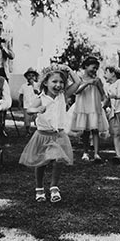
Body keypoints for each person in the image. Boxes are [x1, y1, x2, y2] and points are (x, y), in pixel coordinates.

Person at [19, 64, 77, 203]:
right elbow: (29, 110)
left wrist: (69, 70)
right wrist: (38, 109)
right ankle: (39, 188)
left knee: (58, 160)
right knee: (41, 163)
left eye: (61, 82)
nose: (58, 85)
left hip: (58, 135)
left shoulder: (63, 96)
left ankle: (54, 186)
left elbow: (78, 83)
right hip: (43, 135)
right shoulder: (41, 98)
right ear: (45, 82)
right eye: (54, 81)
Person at [69, 56, 109, 163]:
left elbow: (103, 94)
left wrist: (104, 103)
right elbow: (76, 92)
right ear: (86, 66)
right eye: (93, 67)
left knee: (95, 130)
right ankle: (85, 152)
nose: (94, 70)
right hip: (83, 108)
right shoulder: (80, 79)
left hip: (94, 108)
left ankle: (96, 153)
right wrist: (87, 83)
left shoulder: (97, 80)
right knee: (85, 131)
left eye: (96, 68)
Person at [18, 67, 41, 133]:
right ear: (26, 77)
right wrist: (20, 103)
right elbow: (21, 95)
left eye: (33, 76)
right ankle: (28, 130)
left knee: (37, 119)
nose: (31, 77)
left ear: (35, 77)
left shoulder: (37, 85)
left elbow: (41, 94)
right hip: (26, 106)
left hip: (36, 106)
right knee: (27, 120)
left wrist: (37, 91)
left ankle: (38, 130)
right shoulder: (23, 86)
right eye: (29, 76)